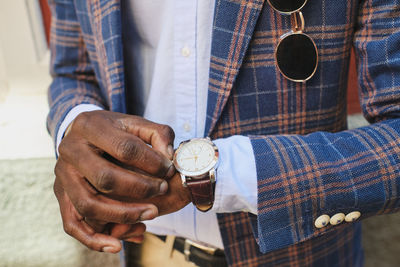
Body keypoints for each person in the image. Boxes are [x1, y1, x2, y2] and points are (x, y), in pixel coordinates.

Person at [47, 0, 400, 266]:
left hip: (300, 255)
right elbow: (73, 71)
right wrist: (76, 124)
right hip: (147, 251)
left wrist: (222, 173)